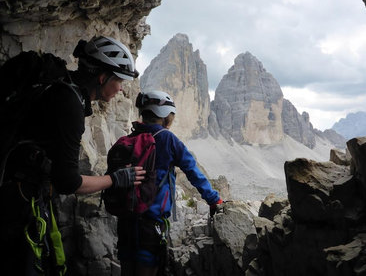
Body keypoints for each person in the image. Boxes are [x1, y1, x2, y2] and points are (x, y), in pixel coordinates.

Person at [0, 36, 146, 275]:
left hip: (14, 190)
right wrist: (117, 179)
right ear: (102, 77)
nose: (120, 88)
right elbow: (68, 181)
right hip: (18, 205)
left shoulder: (61, 87)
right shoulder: (70, 103)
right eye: (118, 80)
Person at [116, 90, 223, 276]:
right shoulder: (167, 138)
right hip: (151, 223)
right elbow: (192, 171)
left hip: (125, 220)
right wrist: (214, 200)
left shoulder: (129, 139)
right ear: (166, 116)